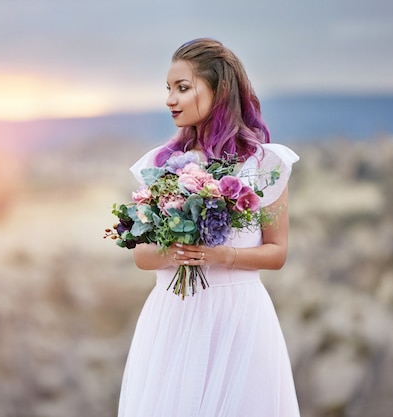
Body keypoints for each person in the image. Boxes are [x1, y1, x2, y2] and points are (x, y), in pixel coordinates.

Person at [117, 38, 301, 417]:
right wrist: (176, 252)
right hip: (173, 317)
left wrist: (221, 256)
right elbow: (141, 256)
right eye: (168, 89)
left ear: (219, 90)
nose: (170, 99)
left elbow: (277, 252)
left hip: (239, 318)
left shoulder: (264, 164)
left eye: (183, 88)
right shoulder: (159, 164)